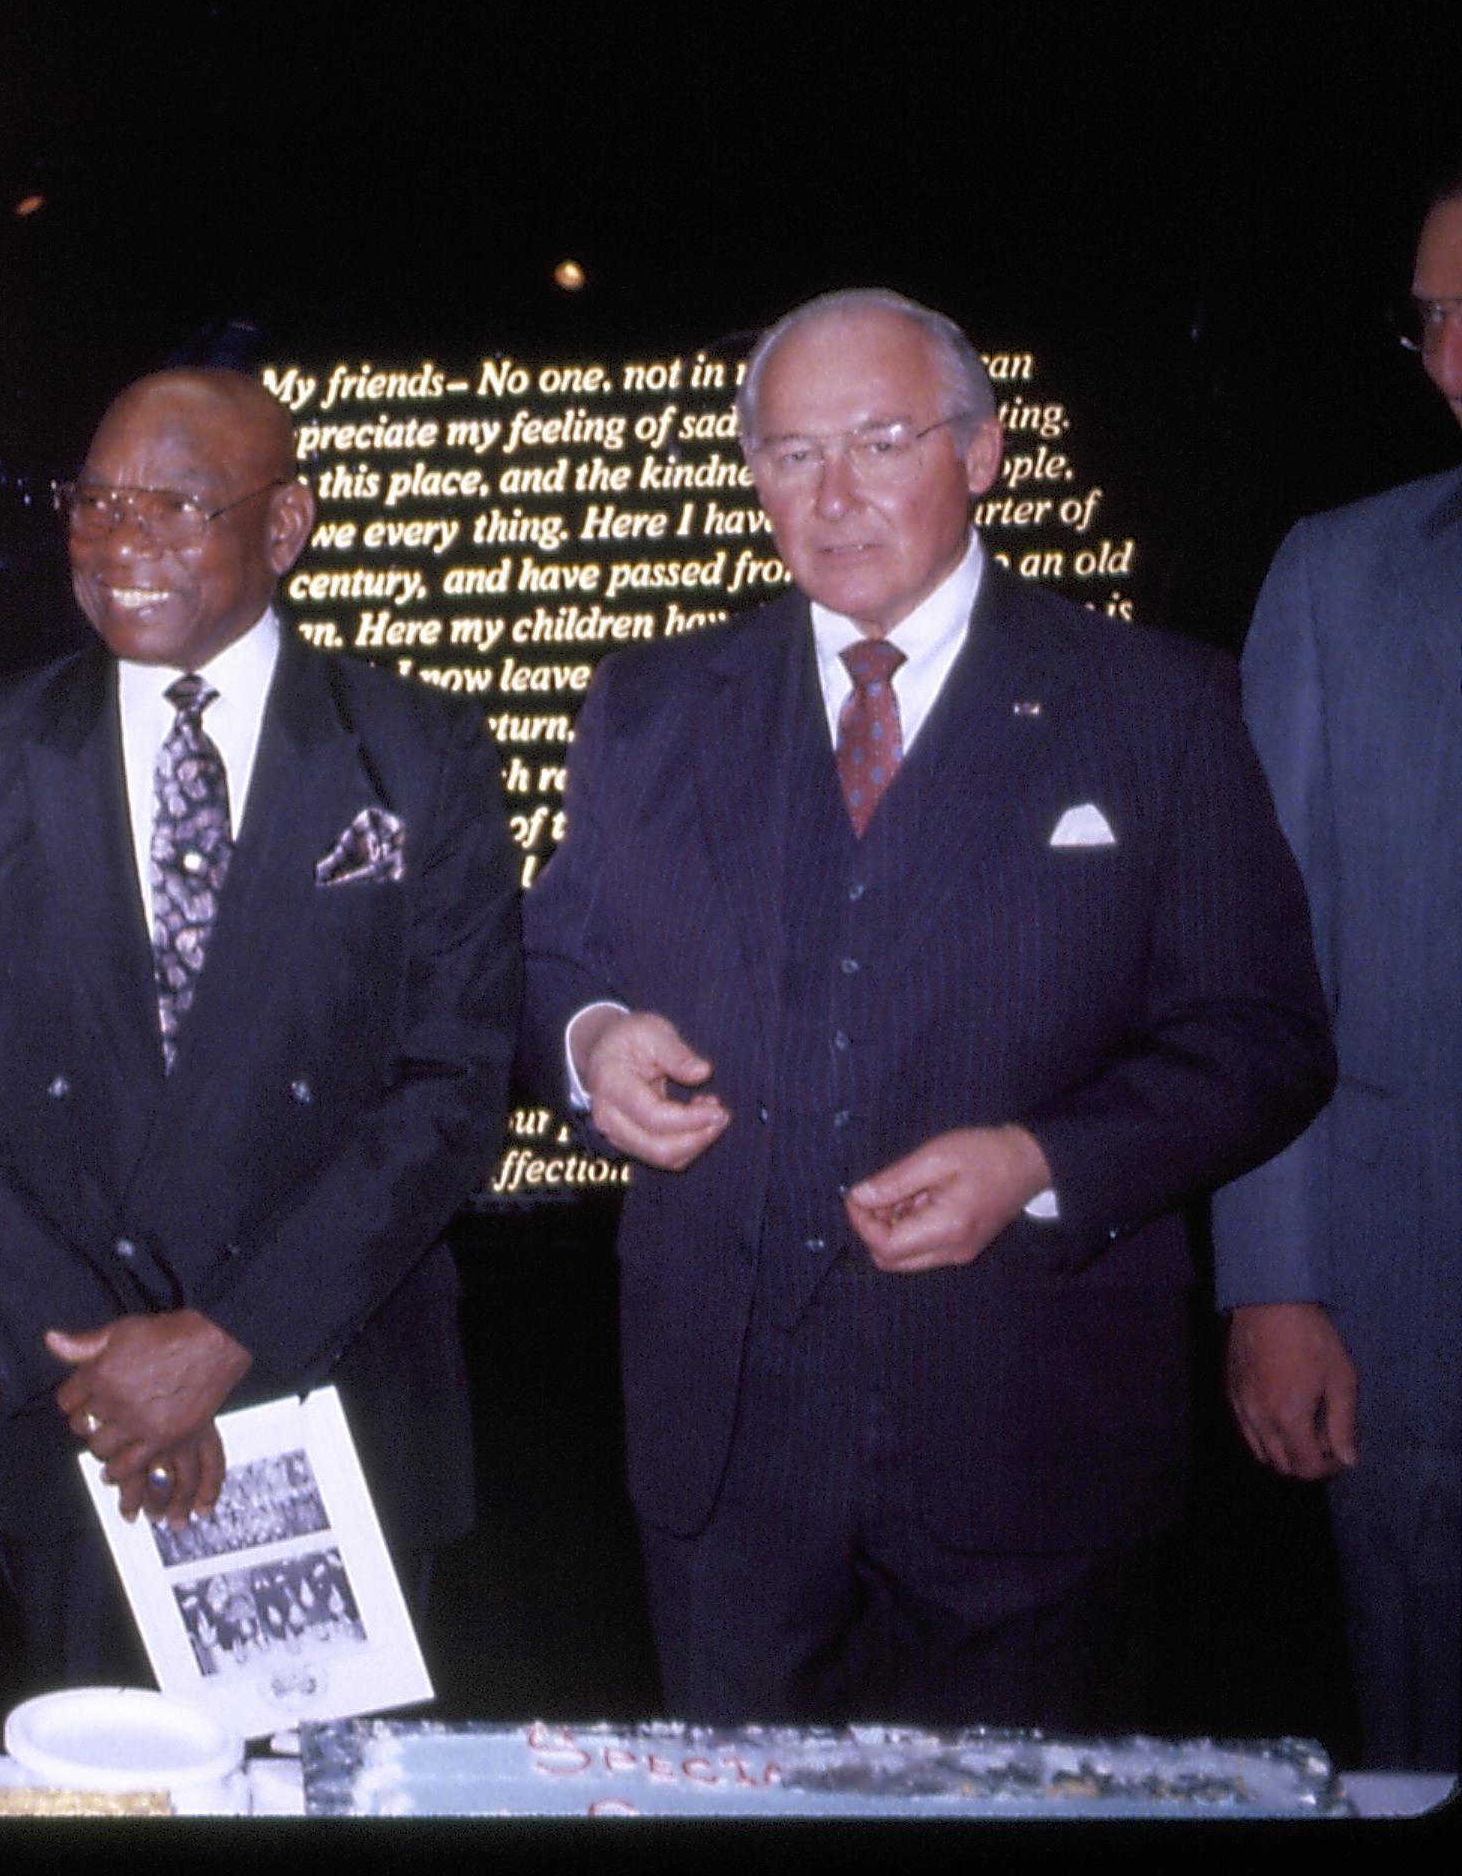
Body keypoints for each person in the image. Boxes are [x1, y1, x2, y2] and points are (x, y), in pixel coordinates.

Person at [522, 286, 1332, 1730]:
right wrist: (593, 1049)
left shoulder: (1158, 707)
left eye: (880, 442)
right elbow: (553, 962)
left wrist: (1043, 1161)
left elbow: (1263, 1038)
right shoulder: (650, 705)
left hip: (1026, 1437)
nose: (829, 497)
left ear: (982, 452)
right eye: (788, 455)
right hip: (728, 1462)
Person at [0, 367, 519, 1692]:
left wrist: (226, 1341)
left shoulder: (416, 750)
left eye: (175, 506)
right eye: (95, 503)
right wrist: (105, 1369)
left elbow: (451, 1084)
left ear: (284, 529)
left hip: (327, 1385)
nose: (119, 546)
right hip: (70, 1417)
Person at [1211, 174, 1462, 1775]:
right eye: (1435, 319)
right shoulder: (1338, 581)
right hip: (1421, 1329)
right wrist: (1275, 1282)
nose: (1450, 361)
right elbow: (1263, 968)